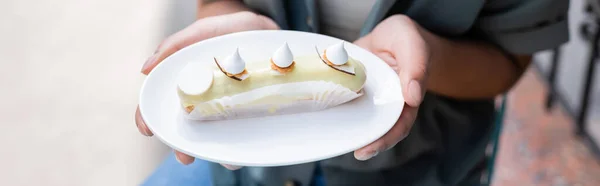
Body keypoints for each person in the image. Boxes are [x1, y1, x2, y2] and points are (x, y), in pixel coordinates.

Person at [135, 0, 569, 185]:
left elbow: (509, 60)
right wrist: (233, 22)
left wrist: (429, 56)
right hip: (239, 169)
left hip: (415, 169)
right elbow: (217, 0)